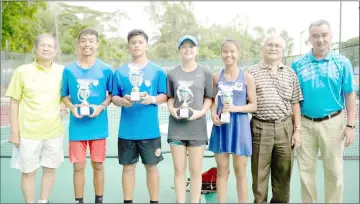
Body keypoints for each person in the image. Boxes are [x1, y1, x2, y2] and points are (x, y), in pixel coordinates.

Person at [291, 19, 357, 203]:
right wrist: (295, 128)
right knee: (305, 173)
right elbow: (293, 99)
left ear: (331, 37)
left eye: (324, 35)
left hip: (333, 124)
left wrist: (350, 125)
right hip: (304, 124)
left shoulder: (343, 62)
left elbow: (349, 95)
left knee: (334, 173)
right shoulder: (297, 64)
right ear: (310, 39)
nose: (320, 39)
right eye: (315, 36)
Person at [6, 34, 66, 204]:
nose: (46, 48)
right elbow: (14, 102)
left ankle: (43, 201)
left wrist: (63, 106)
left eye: (50, 46)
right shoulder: (22, 71)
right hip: (28, 133)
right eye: (42, 45)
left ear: (56, 50)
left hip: (54, 132)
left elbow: (65, 97)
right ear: (36, 48)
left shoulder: (62, 71)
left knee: (49, 169)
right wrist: (15, 132)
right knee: (28, 173)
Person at [111, 29, 167, 203]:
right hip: (127, 132)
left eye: (140, 42)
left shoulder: (157, 71)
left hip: (150, 131)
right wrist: (123, 101)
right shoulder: (120, 72)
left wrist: (151, 98)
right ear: (129, 46)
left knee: (152, 168)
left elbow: (164, 96)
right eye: (133, 42)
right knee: (128, 168)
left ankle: (154, 201)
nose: (137, 45)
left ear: (146, 45)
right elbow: (114, 97)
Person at [247, 35, 303, 203]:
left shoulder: (290, 73)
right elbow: (244, 101)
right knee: (259, 175)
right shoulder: (251, 72)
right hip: (259, 127)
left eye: (277, 46)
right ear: (263, 48)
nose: (273, 48)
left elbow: (295, 103)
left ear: (282, 50)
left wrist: (297, 130)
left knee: (283, 174)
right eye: (270, 45)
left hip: (285, 128)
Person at [61, 28, 113, 204]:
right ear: (78, 43)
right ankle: (79, 201)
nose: (87, 44)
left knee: (98, 165)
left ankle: (99, 200)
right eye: (83, 40)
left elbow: (111, 95)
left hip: (98, 127)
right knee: (78, 167)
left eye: (91, 40)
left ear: (97, 44)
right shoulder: (68, 70)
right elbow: (64, 96)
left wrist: (101, 107)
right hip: (77, 127)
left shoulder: (106, 69)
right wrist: (72, 108)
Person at [208, 39, 257, 203]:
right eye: (225, 51)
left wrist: (236, 108)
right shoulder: (216, 77)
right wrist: (213, 113)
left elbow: (253, 106)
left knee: (241, 172)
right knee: (222, 171)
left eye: (232, 51)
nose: (228, 55)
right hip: (221, 127)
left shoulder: (247, 77)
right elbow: (213, 100)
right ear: (221, 54)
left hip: (240, 129)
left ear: (238, 53)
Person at [166, 35, 214, 203]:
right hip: (177, 128)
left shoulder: (205, 72)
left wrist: (200, 113)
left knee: (195, 171)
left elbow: (209, 98)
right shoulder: (172, 73)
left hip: (197, 129)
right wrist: (172, 110)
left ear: (197, 50)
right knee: (179, 170)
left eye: (191, 46)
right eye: (184, 47)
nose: (188, 49)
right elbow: (170, 97)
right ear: (179, 50)